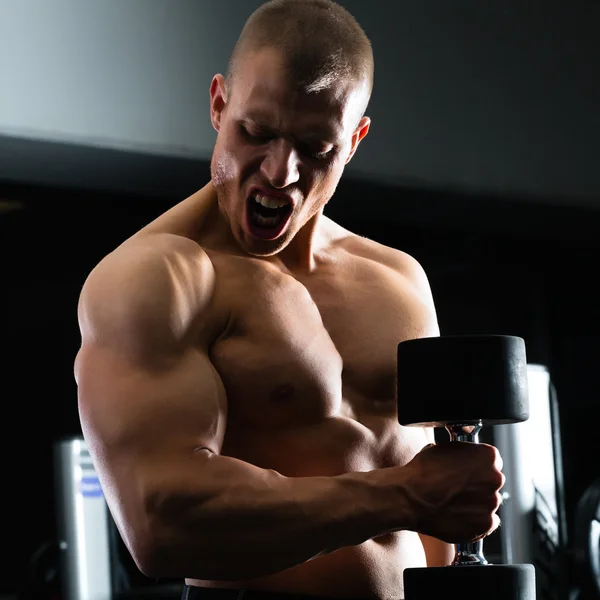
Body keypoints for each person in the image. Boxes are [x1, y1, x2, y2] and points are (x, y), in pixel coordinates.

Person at [74, 1, 505, 599]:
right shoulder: (160, 278)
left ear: (354, 141)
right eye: (256, 133)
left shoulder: (399, 280)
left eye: (315, 147)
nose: (280, 172)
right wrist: (402, 496)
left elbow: (440, 512)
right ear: (219, 104)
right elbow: (163, 522)